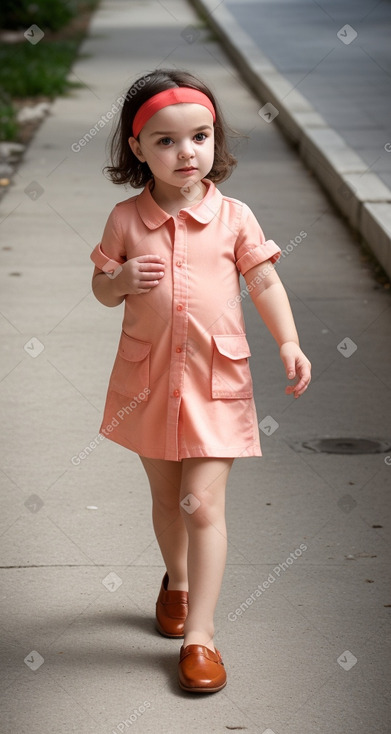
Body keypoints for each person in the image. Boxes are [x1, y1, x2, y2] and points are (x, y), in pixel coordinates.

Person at [90, 68, 311, 694]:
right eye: (165, 140)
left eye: (200, 136)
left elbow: (263, 281)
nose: (186, 152)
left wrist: (289, 342)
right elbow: (103, 289)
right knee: (167, 501)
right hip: (149, 381)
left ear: (215, 140)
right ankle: (177, 582)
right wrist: (121, 283)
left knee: (202, 503)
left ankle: (201, 638)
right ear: (137, 149)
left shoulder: (234, 217)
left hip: (217, 380)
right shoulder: (126, 219)